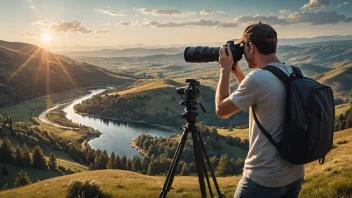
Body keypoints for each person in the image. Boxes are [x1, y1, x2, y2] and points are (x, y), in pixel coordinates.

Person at [215, 22, 305, 198]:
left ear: (251, 47)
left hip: (263, 179)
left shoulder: (257, 79)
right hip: (294, 174)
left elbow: (221, 110)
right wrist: (236, 72)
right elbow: (259, 98)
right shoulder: (296, 72)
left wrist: (225, 70)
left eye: (244, 46)